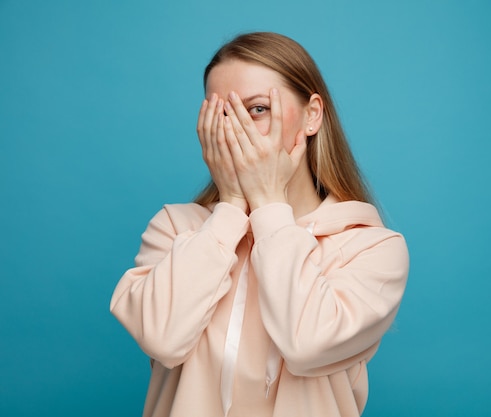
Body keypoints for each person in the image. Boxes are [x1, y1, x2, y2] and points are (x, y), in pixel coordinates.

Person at [110, 32, 409, 417]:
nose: (236, 131)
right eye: (221, 115)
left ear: (312, 115)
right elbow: (162, 339)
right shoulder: (175, 227)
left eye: (256, 110)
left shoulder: (371, 247)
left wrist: (269, 203)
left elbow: (306, 345)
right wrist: (232, 206)